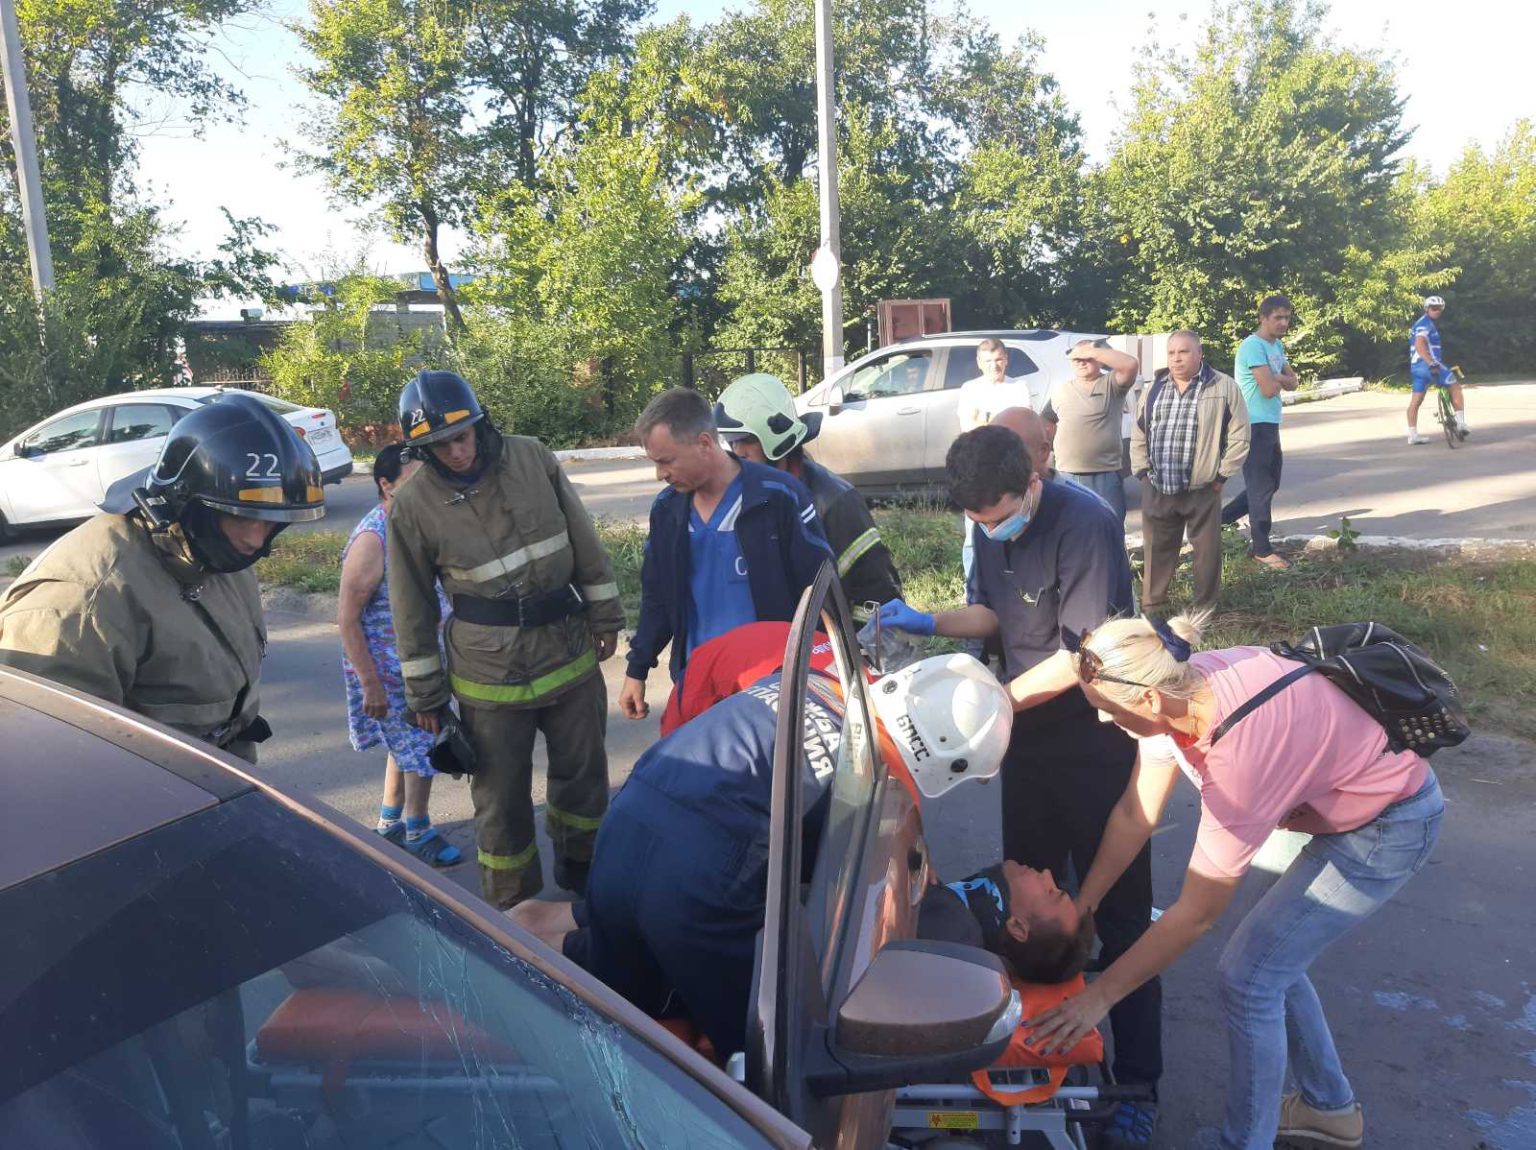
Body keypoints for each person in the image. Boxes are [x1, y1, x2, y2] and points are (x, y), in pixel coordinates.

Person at [1024, 615, 1444, 1150]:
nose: (1106, 723)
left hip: (1388, 825)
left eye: (1108, 711)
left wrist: (1098, 997)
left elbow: (1196, 913)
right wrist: (1083, 905)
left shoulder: (1239, 758)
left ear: (1149, 701)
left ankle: (1245, 1142)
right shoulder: (1180, 684)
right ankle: (1329, 1110)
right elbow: (1135, 813)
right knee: (1272, 960)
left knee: (1249, 978)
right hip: (1323, 798)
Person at [874, 425, 1163, 1146]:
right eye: (978, 521)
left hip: (1095, 743)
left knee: (1118, 919)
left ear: (1032, 478)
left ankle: (1140, 1082)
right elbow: (994, 619)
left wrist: (993, 702)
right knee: (1025, 908)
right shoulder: (988, 523)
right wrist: (931, 621)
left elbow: (1084, 657)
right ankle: (1022, 1043)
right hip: (1025, 749)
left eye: (999, 515)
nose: (991, 529)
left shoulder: (1085, 525)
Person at [513, 652, 1023, 1058]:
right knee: (764, 1053)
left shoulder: (819, 683)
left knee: (618, 970)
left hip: (633, 813)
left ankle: (484, 954)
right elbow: (834, 893)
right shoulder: (862, 776)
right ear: (946, 763)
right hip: (694, 881)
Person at [388, 370, 624, 909]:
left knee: (584, 778)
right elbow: (411, 603)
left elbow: (582, 537)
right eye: (438, 445)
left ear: (480, 423)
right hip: (488, 675)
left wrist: (605, 614)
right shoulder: (412, 505)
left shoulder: (532, 457)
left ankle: (586, 879)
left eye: (461, 436)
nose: (455, 451)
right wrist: (424, 694)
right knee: (500, 803)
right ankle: (513, 908)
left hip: (567, 650)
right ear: (422, 450)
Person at [0, 393, 323, 762]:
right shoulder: (80, 606)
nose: (255, 539)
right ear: (182, 502)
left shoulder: (215, 552)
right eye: (241, 518)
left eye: (271, 524)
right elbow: (47, 765)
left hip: (220, 781)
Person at [619, 387, 831, 722]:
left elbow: (820, 591)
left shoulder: (779, 496)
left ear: (704, 443)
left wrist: (824, 671)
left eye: (666, 461)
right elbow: (657, 595)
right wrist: (637, 668)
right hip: (699, 686)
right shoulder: (668, 510)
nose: (660, 474)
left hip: (773, 686)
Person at [338, 444, 461, 867]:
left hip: (417, 662)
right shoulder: (374, 538)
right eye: (413, 484)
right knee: (424, 744)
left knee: (403, 747)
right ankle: (418, 831)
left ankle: (390, 822)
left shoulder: (410, 526)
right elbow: (347, 618)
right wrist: (369, 683)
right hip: (389, 671)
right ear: (385, 485)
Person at [713, 372, 901, 616]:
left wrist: (854, 648)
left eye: (746, 440)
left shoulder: (833, 501)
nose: (738, 452)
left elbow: (876, 590)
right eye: (731, 441)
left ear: (775, 437)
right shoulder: (742, 496)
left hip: (821, 644)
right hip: (767, 641)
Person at [1130, 330, 1249, 615]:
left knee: (1206, 552)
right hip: (1159, 486)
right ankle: (1153, 604)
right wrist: (1143, 474)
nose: (1176, 359)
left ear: (1199, 354)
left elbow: (1240, 435)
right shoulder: (1155, 387)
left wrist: (1221, 476)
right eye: (1171, 353)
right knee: (1157, 548)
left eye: (1183, 352)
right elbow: (1139, 431)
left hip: (1203, 488)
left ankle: (1203, 608)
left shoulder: (1223, 386)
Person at [1223, 295, 1299, 570]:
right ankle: (1262, 549)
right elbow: (1269, 389)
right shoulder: (1253, 346)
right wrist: (1279, 378)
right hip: (1252, 424)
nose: (1283, 323)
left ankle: (1217, 522)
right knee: (1260, 487)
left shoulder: (1276, 345)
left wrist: (1277, 376)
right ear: (1263, 318)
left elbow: (1294, 381)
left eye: (1287, 317)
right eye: (1278, 317)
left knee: (1270, 483)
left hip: (1269, 422)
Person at [957, 339, 1037, 580]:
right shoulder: (970, 389)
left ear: (1007, 360)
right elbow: (968, 428)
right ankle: (973, 588)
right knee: (975, 534)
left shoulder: (1019, 388)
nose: (995, 366)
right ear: (980, 363)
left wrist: (986, 418)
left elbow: (1023, 428)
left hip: (1011, 471)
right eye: (989, 361)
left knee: (1014, 528)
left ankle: (1015, 582)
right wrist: (1000, 424)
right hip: (978, 471)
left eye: (999, 360)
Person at [1041, 339, 1141, 523]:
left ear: (1098, 359)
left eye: (1086, 358)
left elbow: (1131, 365)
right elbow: (1045, 421)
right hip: (1067, 476)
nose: (1081, 361)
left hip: (1105, 476)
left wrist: (1091, 351)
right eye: (1076, 358)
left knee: (1109, 530)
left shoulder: (1111, 384)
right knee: (1072, 533)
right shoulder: (1061, 389)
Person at [1405, 295, 1467, 444]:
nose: (1437, 311)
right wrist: (1430, 363)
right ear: (1426, 309)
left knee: (1416, 400)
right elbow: (1420, 344)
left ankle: (1412, 435)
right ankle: (1461, 423)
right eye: (1433, 308)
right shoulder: (1424, 324)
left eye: (1440, 309)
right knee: (1455, 387)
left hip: (1417, 369)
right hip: (1428, 366)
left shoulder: (1423, 323)